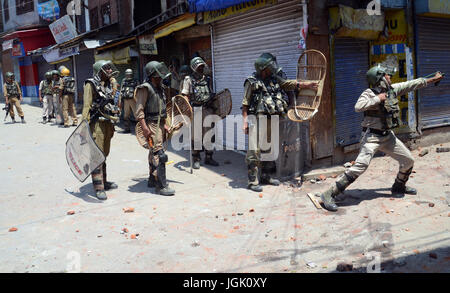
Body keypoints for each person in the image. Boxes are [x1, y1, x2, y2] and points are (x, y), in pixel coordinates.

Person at [319, 65, 444, 212]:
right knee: (361, 166)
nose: (390, 77)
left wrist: (431, 79)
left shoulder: (393, 89)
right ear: (380, 79)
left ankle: (399, 186)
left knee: (408, 160)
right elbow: (358, 107)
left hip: (387, 136)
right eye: (387, 75)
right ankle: (329, 194)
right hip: (371, 137)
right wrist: (377, 98)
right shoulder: (368, 93)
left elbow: (411, 84)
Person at [242, 53, 318, 192]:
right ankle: (252, 181)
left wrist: (306, 84)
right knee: (254, 150)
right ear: (263, 69)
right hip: (257, 119)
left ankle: (265, 176)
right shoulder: (251, 81)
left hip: (272, 118)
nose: (272, 69)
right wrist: (245, 122)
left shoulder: (273, 78)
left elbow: (286, 84)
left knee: (268, 148)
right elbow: (245, 104)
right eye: (270, 67)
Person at [81, 60, 120, 200]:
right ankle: (98, 187)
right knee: (97, 155)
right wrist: (83, 127)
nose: (110, 71)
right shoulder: (90, 84)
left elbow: (114, 102)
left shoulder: (110, 84)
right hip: (96, 124)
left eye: (110, 68)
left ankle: (104, 181)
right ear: (99, 70)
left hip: (107, 123)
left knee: (104, 154)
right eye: (107, 68)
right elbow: (86, 106)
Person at [135, 61, 175, 196]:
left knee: (154, 152)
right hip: (151, 124)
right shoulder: (145, 88)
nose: (161, 76)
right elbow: (139, 111)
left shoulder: (160, 87)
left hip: (159, 123)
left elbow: (161, 109)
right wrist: (145, 128)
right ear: (152, 74)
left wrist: (165, 124)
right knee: (159, 154)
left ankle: (152, 178)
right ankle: (161, 185)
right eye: (158, 74)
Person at [181, 56, 219, 169]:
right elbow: (185, 96)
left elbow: (211, 93)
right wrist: (188, 110)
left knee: (209, 134)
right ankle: (196, 158)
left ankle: (209, 157)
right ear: (194, 68)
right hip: (195, 109)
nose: (201, 68)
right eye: (199, 67)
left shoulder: (207, 79)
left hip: (208, 109)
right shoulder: (188, 80)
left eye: (202, 66)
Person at [118, 68, 138, 133]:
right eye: (127, 74)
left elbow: (138, 90)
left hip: (133, 100)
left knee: (137, 116)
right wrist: (120, 100)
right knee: (126, 116)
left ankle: (139, 130)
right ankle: (127, 128)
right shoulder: (124, 81)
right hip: (126, 100)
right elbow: (121, 90)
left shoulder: (135, 81)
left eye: (129, 74)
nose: (128, 76)